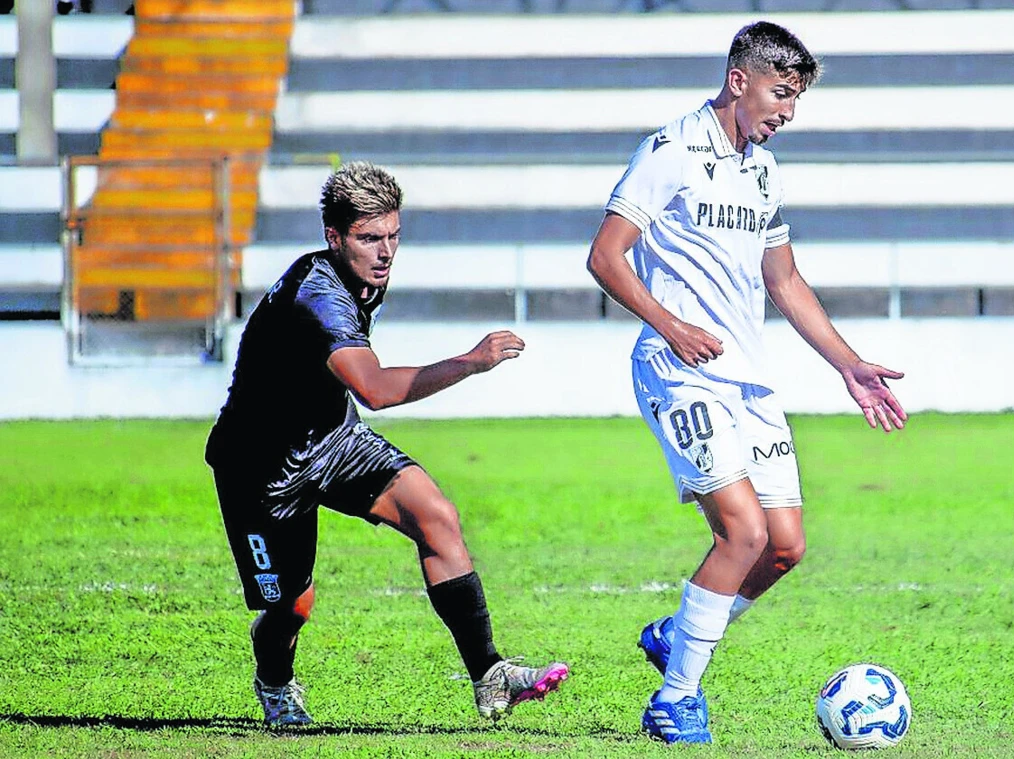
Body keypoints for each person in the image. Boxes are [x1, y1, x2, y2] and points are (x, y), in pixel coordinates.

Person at [586, 21, 907, 744]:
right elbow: (605, 257)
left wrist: (847, 363)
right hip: (679, 369)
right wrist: (671, 324)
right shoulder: (669, 151)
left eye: (795, 99)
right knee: (743, 530)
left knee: (784, 545)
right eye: (781, 93)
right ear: (740, 80)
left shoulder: (762, 170)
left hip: (749, 382)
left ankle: (683, 629)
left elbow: (783, 280)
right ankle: (675, 698)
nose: (788, 112)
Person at [205, 161, 568, 728]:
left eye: (393, 235)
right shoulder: (318, 296)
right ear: (334, 236)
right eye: (370, 238)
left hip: (334, 440)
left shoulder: (362, 279)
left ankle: (489, 674)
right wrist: (469, 363)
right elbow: (372, 388)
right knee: (291, 607)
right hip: (260, 470)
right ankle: (274, 680)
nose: (386, 251)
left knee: (436, 516)